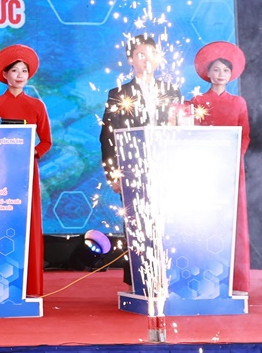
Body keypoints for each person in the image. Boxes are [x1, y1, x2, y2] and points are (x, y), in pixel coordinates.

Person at [0, 44, 53, 297]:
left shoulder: (37, 105)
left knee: (28, 224)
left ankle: (29, 286)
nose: (19, 75)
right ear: (5, 74)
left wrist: (31, 154)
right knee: (0, 223)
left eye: (24, 71)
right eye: (14, 70)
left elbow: (46, 141)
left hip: (27, 173)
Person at [189, 41, 250, 294]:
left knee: (233, 221)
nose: (221, 74)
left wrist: (233, 158)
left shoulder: (239, 102)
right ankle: (202, 277)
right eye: (216, 69)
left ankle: (236, 282)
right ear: (208, 73)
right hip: (204, 169)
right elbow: (190, 133)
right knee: (203, 218)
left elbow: (245, 135)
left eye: (225, 70)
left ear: (231, 74)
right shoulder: (197, 102)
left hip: (232, 168)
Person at [99, 34, 182, 194]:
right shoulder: (118, 94)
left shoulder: (172, 91)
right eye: (141, 55)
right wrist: (112, 173)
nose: (148, 59)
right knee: (135, 209)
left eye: (152, 54)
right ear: (130, 59)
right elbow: (107, 136)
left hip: (167, 166)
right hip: (132, 168)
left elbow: (179, 130)